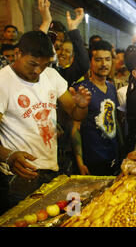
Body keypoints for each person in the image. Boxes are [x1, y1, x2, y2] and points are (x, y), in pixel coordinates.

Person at [0, 31, 91, 213]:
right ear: (18, 53)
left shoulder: (51, 75)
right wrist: (8, 156)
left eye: (44, 65)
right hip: (19, 177)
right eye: (32, 64)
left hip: (53, 168)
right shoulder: (3, 81)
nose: (37, 71)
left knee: (72, 216)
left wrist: (81, 106)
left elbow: (75, 114)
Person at [72, 40, 120, 176]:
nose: (104, 64)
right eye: (98, 60)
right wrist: (79, 162)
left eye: (107, 59)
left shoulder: (111, 87)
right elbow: (75, 127)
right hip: (92, 160)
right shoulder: (81, 89)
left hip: (113, 158)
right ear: (90, 61)